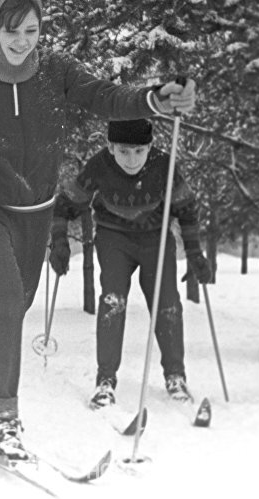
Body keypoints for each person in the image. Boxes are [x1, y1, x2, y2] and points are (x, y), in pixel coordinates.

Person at [0, 0, 197, 463]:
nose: (22, 41)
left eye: (31, 29)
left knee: (16, 302)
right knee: (1, 289)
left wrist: (154, 100)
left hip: (37, 209)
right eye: (11, 31)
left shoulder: (56, 72)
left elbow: (106, 97)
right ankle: (4, 418)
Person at [50, 118, 211, 408]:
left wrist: (196, 253)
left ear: (150, 146)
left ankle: (176, 376)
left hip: (155, 239)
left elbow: (186, 209)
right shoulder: (100, 165)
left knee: (167, 304)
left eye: (139, 151)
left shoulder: (164, 165)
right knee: (113, 302)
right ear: (111, 147)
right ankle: (105, 380)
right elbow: (66, 205)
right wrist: (59, 241)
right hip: (114, 239)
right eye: (124, 151)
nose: (131, 160)